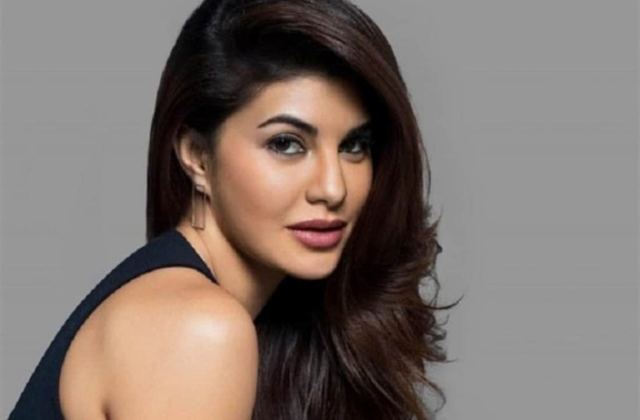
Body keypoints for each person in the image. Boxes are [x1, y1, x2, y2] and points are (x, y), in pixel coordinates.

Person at [9, 0, 457, 418]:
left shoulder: (235, 319)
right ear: (197, 156)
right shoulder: (196, 328)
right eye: (287, 144)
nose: (333, 187)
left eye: (354, 145)